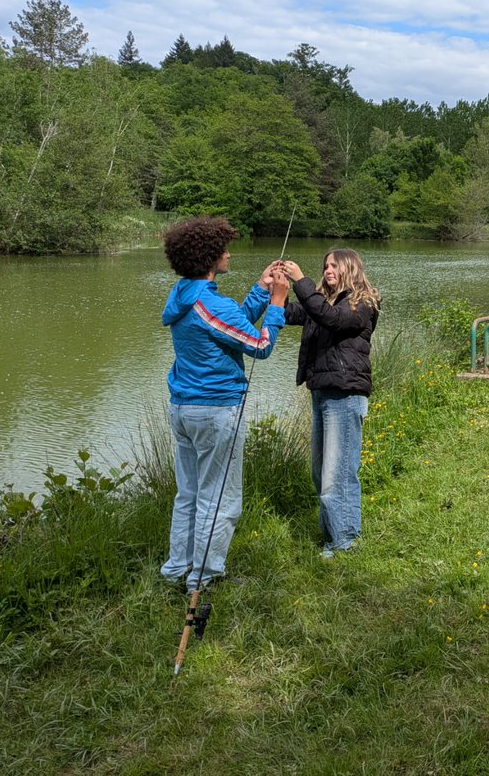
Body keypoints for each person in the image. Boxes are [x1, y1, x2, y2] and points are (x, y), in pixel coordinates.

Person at [160, 216, 288, 591]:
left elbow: (232, 329)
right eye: (225, 249)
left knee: (189, 495)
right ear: (210, 257)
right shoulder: (208, 303)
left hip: (183, 409)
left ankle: (176, 570)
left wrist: (262, 290)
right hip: (215, 411)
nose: (229, 254)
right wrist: (278, 303)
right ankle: (203, 578)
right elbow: (258, 345)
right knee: (220, 500)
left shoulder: (184, 296)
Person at [277, 250, 380, 559]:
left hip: (346, 396)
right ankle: (335, 534)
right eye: (325, 266)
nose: (328, 270)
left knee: (338, 474)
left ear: (350, 269)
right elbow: (295, 313)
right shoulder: (322, 302)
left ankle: (343, 540)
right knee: (320, 473)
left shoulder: (362, 304)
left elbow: (331, 319)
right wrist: (275, 290)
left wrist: (300, 280)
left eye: (334, 265)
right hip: (322, 392)